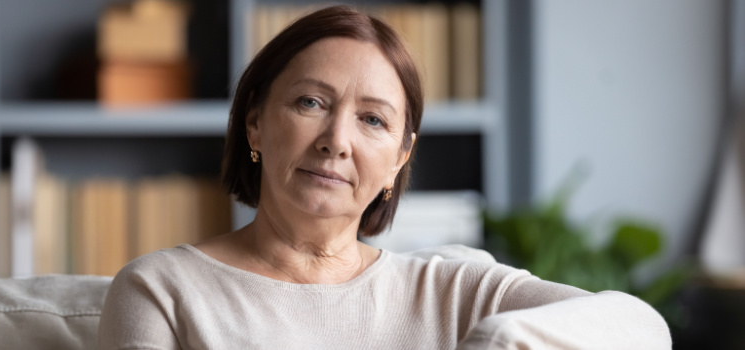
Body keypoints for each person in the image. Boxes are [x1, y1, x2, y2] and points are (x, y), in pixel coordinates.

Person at [98, 6, 671, 349]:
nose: (336, 140)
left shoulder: (455, 289)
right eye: (310, 102)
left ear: (400, 157)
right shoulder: (160, 289)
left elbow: (642, 329)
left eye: (372, 119)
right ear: (254, 124)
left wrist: (503, 340)